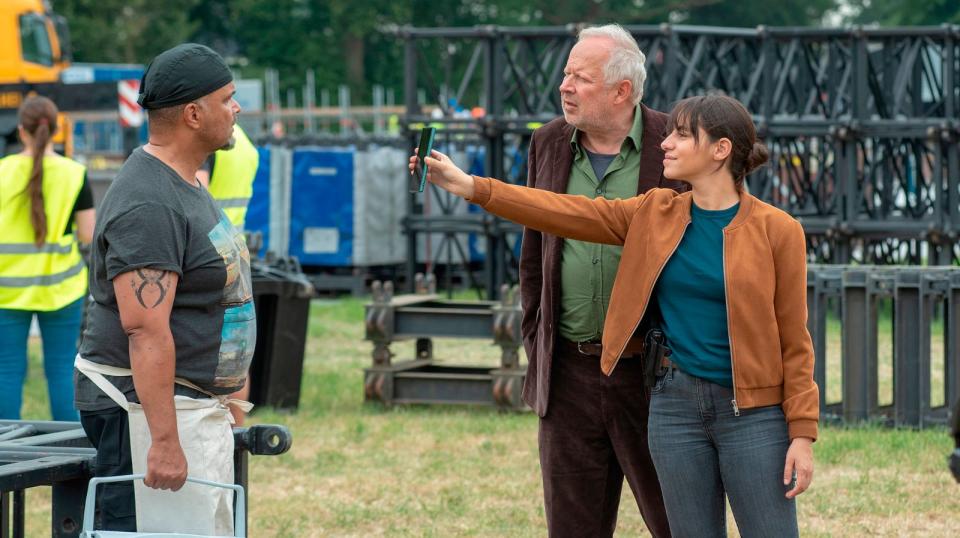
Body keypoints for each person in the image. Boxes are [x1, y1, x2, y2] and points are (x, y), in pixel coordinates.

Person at [413, 93, 818, 536]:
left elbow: (794, 340)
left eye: (683, 135)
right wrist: (472, 186)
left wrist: (801, 433)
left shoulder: (779, 230)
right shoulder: (654, 212)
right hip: (673, 409)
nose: (667, 142)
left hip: (754, 415)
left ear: (720, 149)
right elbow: (565, 212)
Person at [73, 43, 252, 531]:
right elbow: (145, 331)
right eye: (227, 98)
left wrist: (232, 392)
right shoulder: (149, 203)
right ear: (193, 113)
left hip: (191, 404)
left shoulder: (186, 180)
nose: (237, 108)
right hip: (145, 410)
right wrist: (165, 442)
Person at [516, 23, 684, 537]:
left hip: (656, 374)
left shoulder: (677, 142)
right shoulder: (547, 142)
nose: (564, 85)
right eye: (566, 74)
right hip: (569, 373)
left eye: (580, 77)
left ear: (621, 91)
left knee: (678, 522)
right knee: (572, 528)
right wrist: (536, 338)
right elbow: (533, 253)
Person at [0, 96, 94, 422]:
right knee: (61, 367)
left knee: (7, 369)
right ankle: (66, 456)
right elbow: (87, 234)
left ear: (21, 131)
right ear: (55, 130)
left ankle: (5, 459)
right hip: (61, 288)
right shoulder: (75, 174)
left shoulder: (2, 172)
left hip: (6, 290)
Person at [196, 123, 259, 229]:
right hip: (234, 239)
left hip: (210, 239)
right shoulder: (244, 140)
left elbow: (195, 201)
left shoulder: (206, 136)